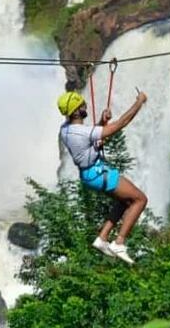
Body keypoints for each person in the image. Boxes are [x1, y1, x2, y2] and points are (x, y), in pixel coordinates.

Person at [57, 89, 148, 264]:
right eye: (81, 105)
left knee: (123, 201)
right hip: (99, 174)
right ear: (76, 111)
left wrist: (102, 122)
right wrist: (139, 102)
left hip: (89, 175)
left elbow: (91, 139)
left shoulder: (65, 130)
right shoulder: (83, 132)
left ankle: (103, 237)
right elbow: (121, 123)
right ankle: (119, 242)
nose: (85, 106)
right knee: (140, 199)